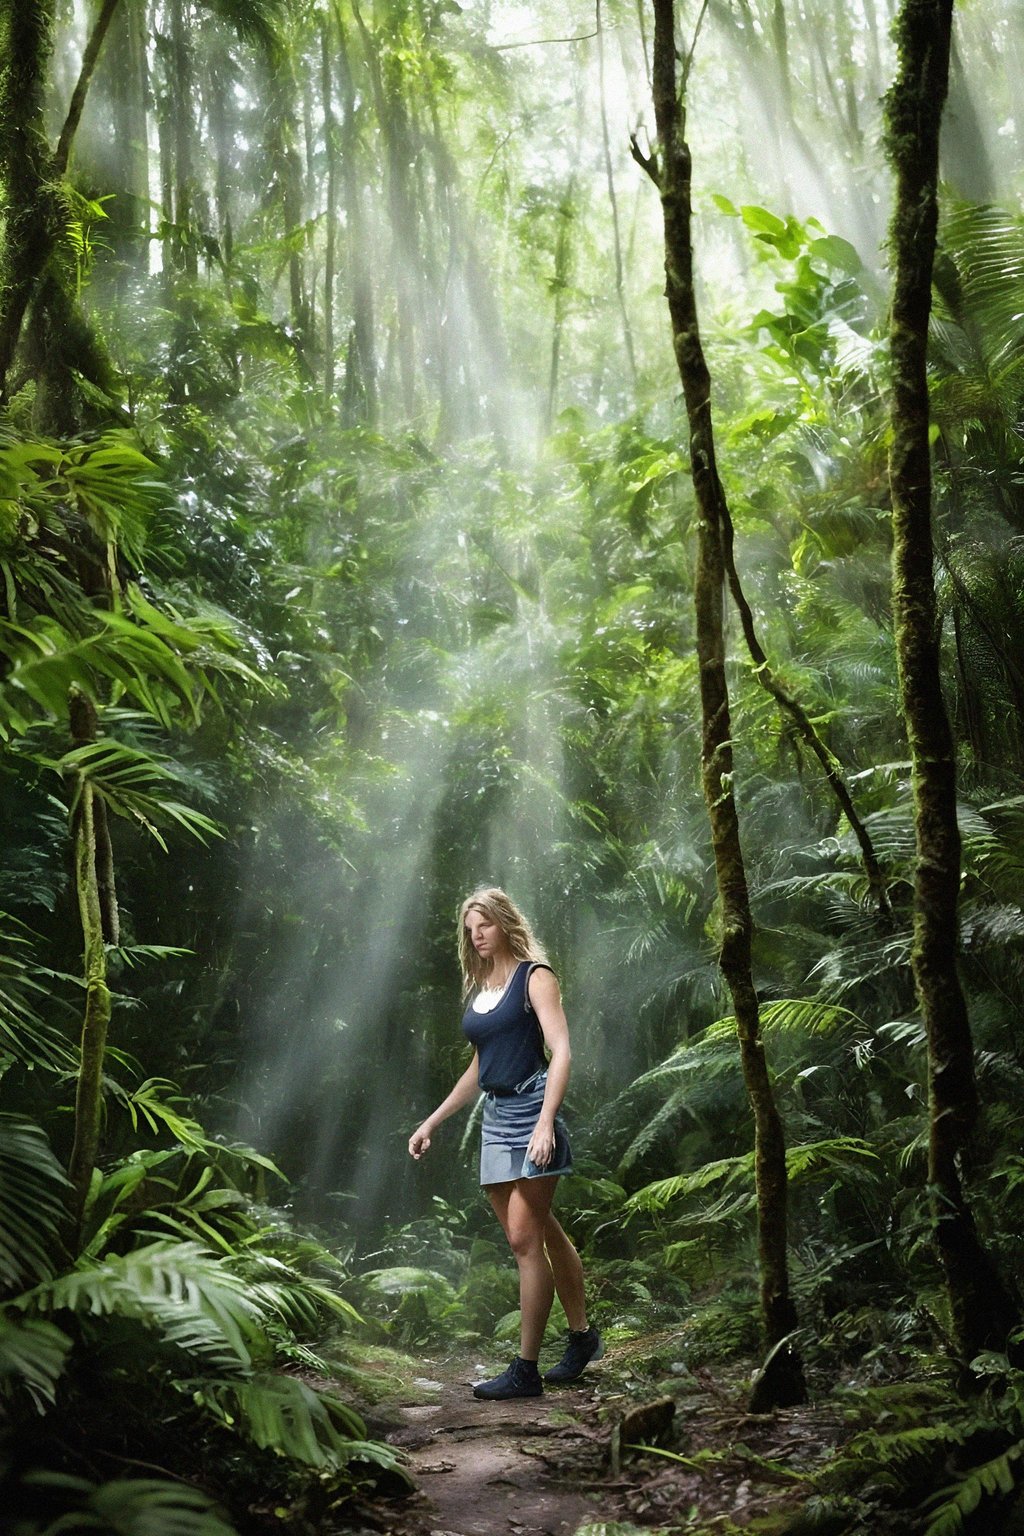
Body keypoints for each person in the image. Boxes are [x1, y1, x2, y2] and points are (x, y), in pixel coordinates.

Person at [408, 886, 603, 1401]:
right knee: (541, 1232)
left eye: (485, 925)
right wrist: (433, 1121)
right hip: (495, 1118)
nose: (477, 935)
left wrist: (546, 1121)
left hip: (532, 1109)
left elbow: (560, 1050)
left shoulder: (534, 978)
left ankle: (526, 1370)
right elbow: (479, 1066)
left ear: (505, 923)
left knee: (522, 1238)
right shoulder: (480, 989)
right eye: (470, 928)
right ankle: (582, 1338)